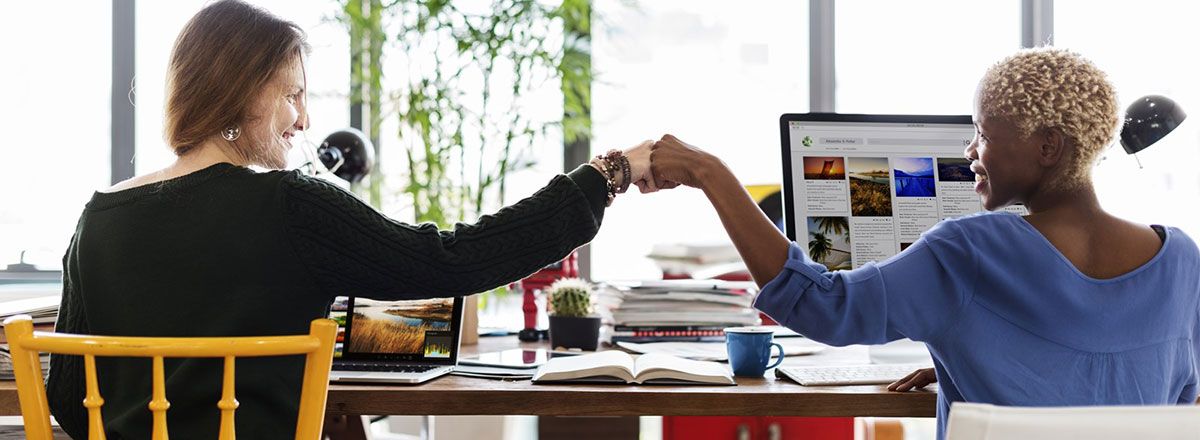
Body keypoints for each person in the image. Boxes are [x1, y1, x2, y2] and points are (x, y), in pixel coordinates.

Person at [46, 1, 657, 438]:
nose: (306, 120)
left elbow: (71, 402)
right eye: (293, 94)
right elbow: (454, 259)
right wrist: (605, 176)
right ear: (242, 91)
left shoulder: (97, 218)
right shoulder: (292, 203)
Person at [649, 47, 1200, 439]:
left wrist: (711, 174)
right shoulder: (1181, 262)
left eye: (983, 131)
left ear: (1048, 147)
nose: (969, 149)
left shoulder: (969, 251)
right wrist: (982, 354)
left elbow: (823, 305)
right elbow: (1164, 397)